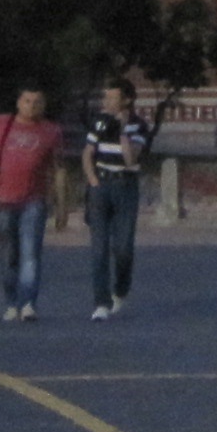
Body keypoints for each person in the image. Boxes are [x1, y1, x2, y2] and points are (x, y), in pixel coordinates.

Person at [0, 88, 66, 324]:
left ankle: (28, 304)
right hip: (4, 198)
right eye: (27, 101)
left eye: (37, 101)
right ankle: (11, 302)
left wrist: (62, 203)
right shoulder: (2, 124)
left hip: (34, 199)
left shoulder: (51, 131)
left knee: (31, 253)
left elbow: (59, 169)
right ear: (18, 103)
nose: (32, 106)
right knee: (10, 254)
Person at [84, 82, 151, 320]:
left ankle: (120, 290)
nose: (106, 102)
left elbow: (131, 158)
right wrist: (93, 180)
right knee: (99, 248)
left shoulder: (139, 125)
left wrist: (123, 130)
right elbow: (88, 153)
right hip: (101, 185)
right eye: (105, 97)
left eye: (112, 98)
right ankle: (100, 303)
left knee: (123, 248)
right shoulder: (99, 121)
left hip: (125, 186)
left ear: (126, 100)